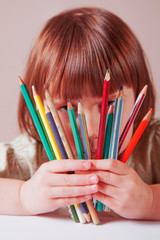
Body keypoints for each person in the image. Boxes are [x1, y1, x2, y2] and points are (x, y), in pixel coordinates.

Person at [0, 7, 160, 220]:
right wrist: (23, 196)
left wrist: (150, 201)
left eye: (110, 103)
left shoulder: (153, 145)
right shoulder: (29, 155)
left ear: (138, 101)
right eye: (66, 108)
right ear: (39, 108)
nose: (92, 129)